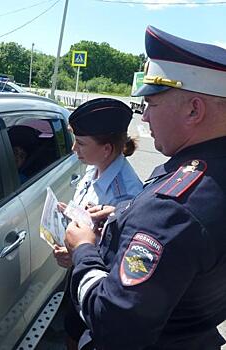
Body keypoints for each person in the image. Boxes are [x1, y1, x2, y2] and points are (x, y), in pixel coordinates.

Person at [65, 26, 226, 350]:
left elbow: (114, 323)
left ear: (194, 109)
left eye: (151, 104)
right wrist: (122, 216)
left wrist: (83, 249)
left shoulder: (172, 208)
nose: (145, 119)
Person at [52, 98, 143, 349]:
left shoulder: (125, 194)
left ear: (107, 149)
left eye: (81, 143)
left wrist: (75, 255)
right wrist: (69, 212)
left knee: (80, 332)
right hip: (80, 272)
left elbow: (120, 260)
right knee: (71, 323)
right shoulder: (95, 167)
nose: (74, 149)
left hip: (97, 284)